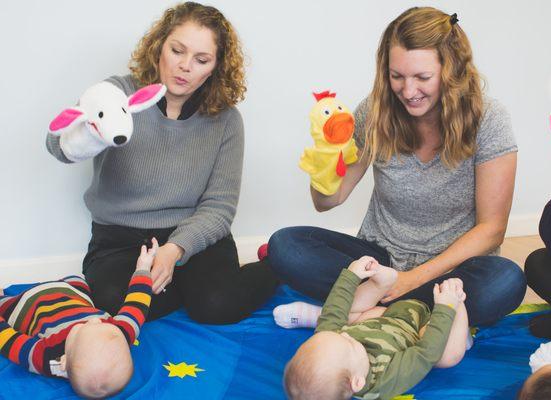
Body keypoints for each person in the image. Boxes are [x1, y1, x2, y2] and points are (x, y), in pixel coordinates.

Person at [267, 6, 526, 327]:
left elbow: (492, 229)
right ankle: (425, 318)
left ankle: (355, 313)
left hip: (450, 271)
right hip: (379, 261)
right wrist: (325, 153)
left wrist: (411, 279)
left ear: (452, 71)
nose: (408, 90)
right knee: (286, 246)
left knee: (505, 281)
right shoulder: (375, 111)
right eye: (397, 76)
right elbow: (327, 202)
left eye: (422, 77)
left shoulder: (489, 118)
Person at [45, 2, 278, 323]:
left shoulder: (226, 121)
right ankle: (187, 285)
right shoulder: (115, 94)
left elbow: (219, 209)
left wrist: (175, 250)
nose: (185, 66)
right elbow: (57, 146)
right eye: (177, 51)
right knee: (114, 301)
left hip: (192, 233)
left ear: (216, 66)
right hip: (120, 238)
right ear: (159, 46)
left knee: (217, 306)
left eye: (201, 59)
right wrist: (88, 135)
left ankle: (272, 263)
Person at [284, 256, 469, 400]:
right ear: (357, 382)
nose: (347, 335)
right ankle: (457, 304)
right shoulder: (385, 379)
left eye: (338, 335)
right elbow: (425, 354)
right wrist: (446, 308)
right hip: (419, 326)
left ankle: (381, 282)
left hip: (385, 312)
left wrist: (351, 275)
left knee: (346, 316)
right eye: (351, 345)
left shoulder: (333, 344)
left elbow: (333, 312)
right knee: (447, 356)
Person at [0, 240, 156, 398]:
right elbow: (136, 306)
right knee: (78, 280)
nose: (95, 320)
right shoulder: (120, 333)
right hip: (73, 295)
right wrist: (143, 269)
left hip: (29, 303)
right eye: (104, 324)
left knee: (5, 308)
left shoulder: (44, 356)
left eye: (83, 327)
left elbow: (9, 340)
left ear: (63, 362)